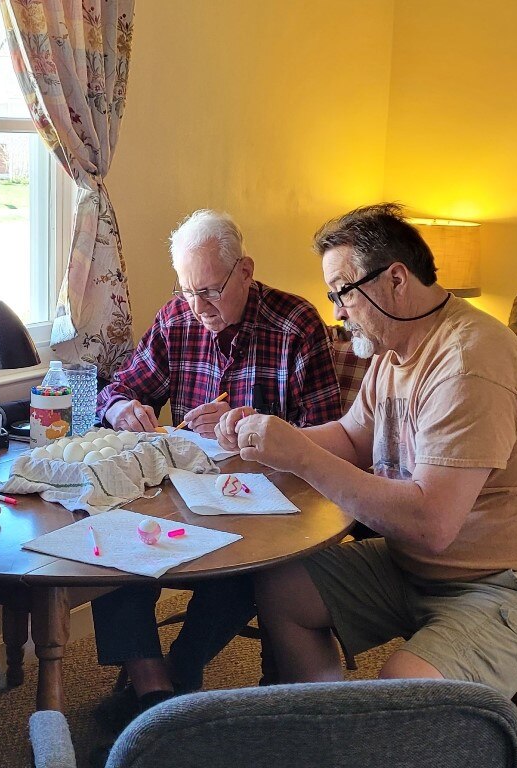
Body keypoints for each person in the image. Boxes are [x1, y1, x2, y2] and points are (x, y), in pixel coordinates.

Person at [217, 203, 517, 696]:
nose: (336, 311)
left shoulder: (469, 360)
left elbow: (431, 524)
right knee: (283, 587)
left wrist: (300, 456)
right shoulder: (394, 352)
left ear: (396, 280)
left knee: (406, 690)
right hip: (423, 570)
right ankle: (331, 724)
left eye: (342, 292)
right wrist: (270, 442)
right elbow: (351, 439)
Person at [92, 209, 342, 720]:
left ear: (245, 271)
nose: (197, 306)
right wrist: (122, 407)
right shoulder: (176, 318)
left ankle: (177, 676)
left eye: (209, 290)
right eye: (187, 290)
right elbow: (117, 389)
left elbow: (330, 441)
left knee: (245, 567)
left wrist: (253, 425)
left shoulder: (296, 324)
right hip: (184, 496)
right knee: (104, 540)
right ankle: (155, 688)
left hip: (268, 503)